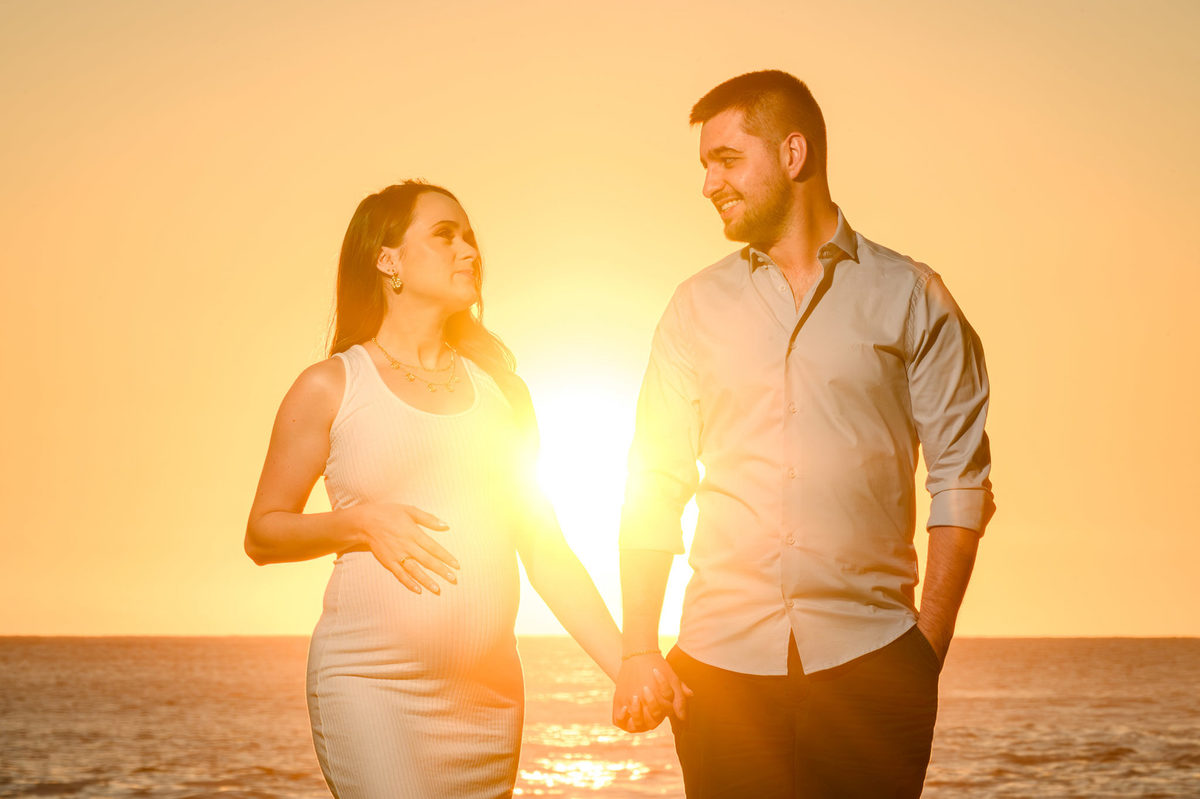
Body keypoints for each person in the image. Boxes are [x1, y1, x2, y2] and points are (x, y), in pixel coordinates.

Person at [611, 70, 995, 798]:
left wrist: (924, 652)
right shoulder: (694, 308)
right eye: (703, 165)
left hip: (875, 660)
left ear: (793, 153)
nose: (708, 183)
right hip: (717, 667)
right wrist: (637, 647)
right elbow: (655, 480)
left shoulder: (913, 296)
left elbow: (960, 481)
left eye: (726, 159)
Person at [244, 180, 622, 799]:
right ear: (387, 259)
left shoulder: (506, 394)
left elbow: (546, 548)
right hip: (372, 685)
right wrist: (359, 522)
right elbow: (263, 532)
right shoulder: (331, 386)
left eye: (470, 236)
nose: (469, 249)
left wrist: (627, 667)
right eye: (445, 234)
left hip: (488, 701)